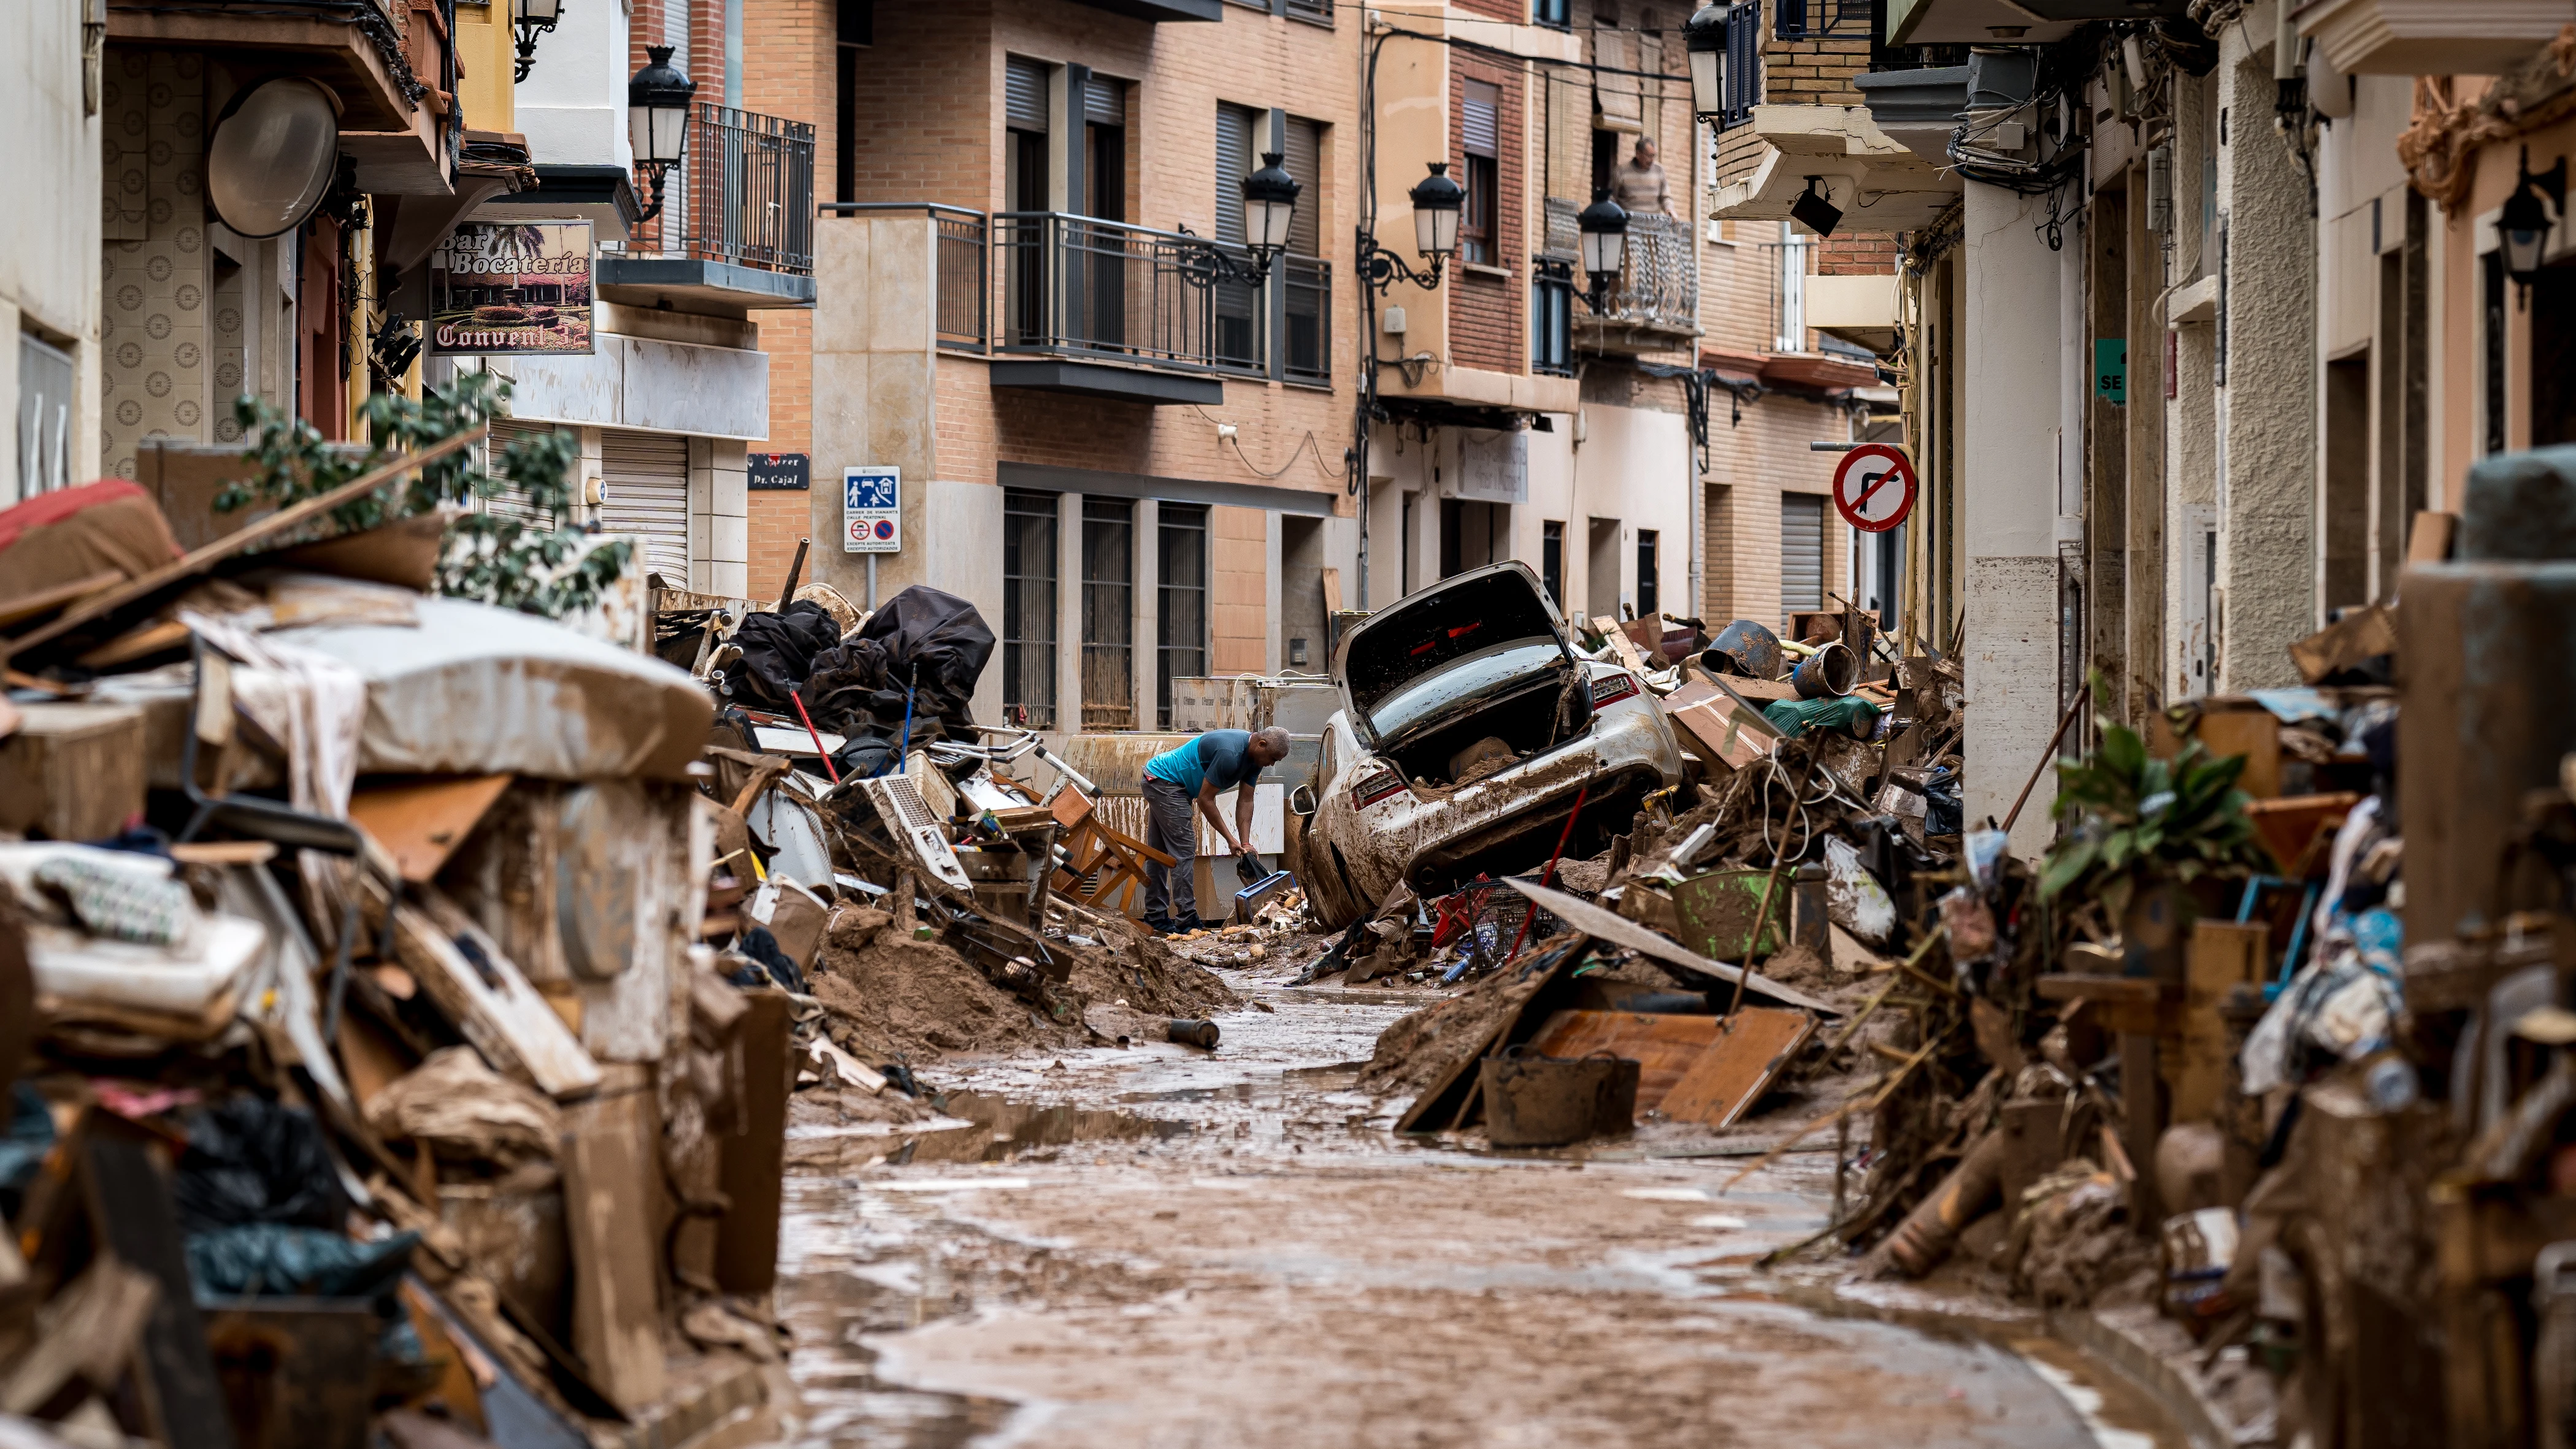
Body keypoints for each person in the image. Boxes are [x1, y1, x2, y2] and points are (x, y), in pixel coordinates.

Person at [1140, 725, 1290, 934]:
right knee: (1183, 851)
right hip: (1165, 782)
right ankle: (1187, 920)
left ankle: (1155, 917)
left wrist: (1245, 843)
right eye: (1272, 758)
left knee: (1158, 853)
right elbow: (1205, 800)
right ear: (1261, 744)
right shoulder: (1230, 754)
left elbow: (1246, 800)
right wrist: (1230, 839)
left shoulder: (1255, 758)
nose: (1271, 764)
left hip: (1166, 782)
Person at [1612, 137, 1670, 216]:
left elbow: (1666, 197)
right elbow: (1611, 198)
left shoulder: (1659, 171)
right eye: (1649, 156)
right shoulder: (1621, 171)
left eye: (1654, 156)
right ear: (1638, 154)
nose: (1652, 160)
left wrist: (1669, 209)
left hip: (1653, 226)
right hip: (1629, 225)